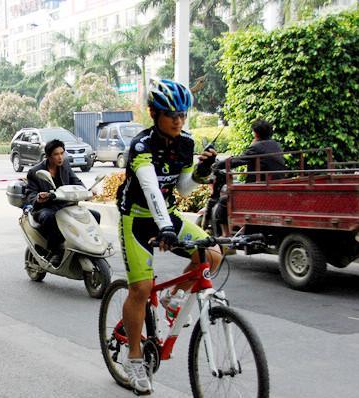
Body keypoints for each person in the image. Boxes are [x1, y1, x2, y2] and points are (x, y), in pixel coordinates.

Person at [117, 79, 221, 395]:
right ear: (153, 113)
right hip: (137, 219)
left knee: (213, 255)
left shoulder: (186, 143)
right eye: (170, 114)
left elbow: (182, 188)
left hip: (167, 217)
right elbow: (150, 189)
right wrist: (164, 229)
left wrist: (202, 173)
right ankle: (134, 359)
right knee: (140, 288)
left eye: (183, 114)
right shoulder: (141, 146)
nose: (178, 120)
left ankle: (173, 296)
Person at [25, 139, 101, 266]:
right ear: (48, 156)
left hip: (65, 206)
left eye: (62, 153)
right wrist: (38, 197)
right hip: (45, 208)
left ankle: (87, 246)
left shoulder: (65, 165)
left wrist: (88, 191)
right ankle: (56, 251)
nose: (60, 157)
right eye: (56, 154)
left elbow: (76, 182)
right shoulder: (35, 172)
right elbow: (30, 194)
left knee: (94, 215)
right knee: (49, 217)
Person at [213, 119, 286, 235]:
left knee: (223, 201)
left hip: (258, 190)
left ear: (255, 133)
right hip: (274, 187)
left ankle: (225, 235)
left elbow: (238, 160)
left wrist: (217, 164)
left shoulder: (256, 147)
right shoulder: (276, 145)